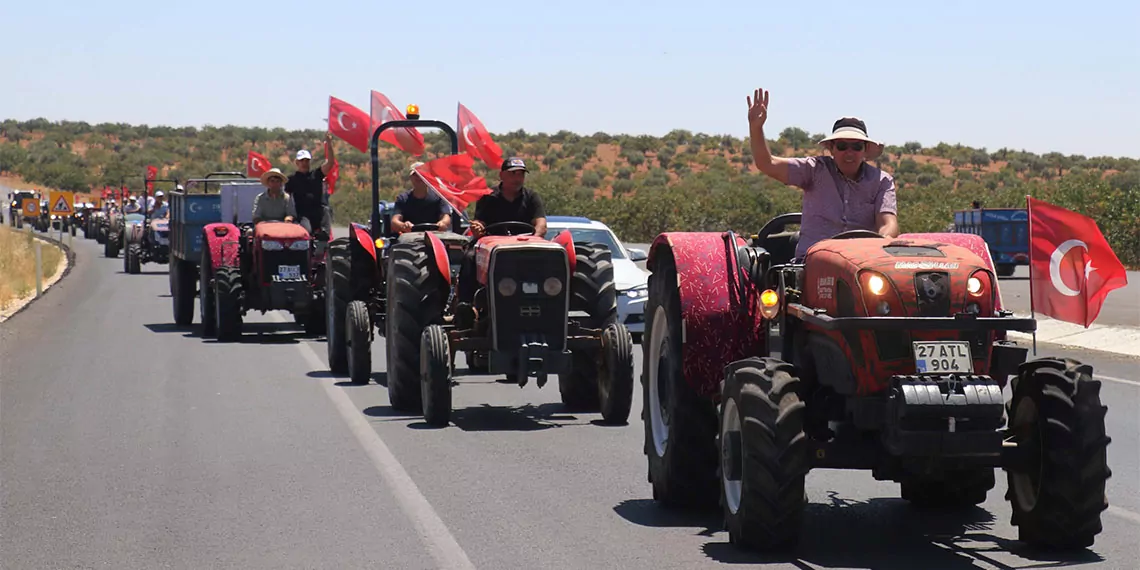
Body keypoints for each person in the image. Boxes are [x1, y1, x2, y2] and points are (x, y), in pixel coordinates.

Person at [746, 88, 899, 261]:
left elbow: (888, 223)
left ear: (864, 151)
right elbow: (767, 164)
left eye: (856, 146)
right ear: (832, 149)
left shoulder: (881, 181)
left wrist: (884, 241)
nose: (849, 152)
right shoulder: (815, 170)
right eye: (842, 146)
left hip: (860, 263)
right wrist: (756, 127)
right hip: (812, 264)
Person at [455, 157, 548, 306]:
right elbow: (480, 222)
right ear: (502, 175)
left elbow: (541, 224)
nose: (517, 178)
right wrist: (478, 227)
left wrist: (535, 239)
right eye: (513, 174)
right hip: (492, 244)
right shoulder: (487, 197)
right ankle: (466, 303)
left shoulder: (531, 197)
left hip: (524, 244)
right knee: (470, 256)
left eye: (521, 174)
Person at [285, 132, 335, 237]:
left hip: (318, 212)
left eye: (307, 160)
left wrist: (329, 144)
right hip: (303, 214)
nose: (304, 163)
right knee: (306, 233)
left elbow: (330, 163)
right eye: (302, 161)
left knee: (326, 210)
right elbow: (286, 198)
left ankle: (324, 240)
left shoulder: (316, 174)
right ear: (297, 163)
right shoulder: (291, 179)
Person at [391, 162, 452, 232]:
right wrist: (403, 225)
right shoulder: (403, 199)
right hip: (410, 239)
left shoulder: (439, 197)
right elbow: (394, 221)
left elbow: (446, 216)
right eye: (415, 175)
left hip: (435, 237)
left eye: (422, 174)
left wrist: (442, 223)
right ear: (411, 178)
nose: (419, 177)